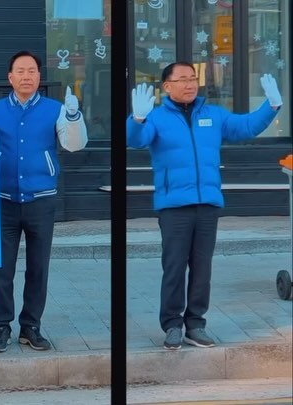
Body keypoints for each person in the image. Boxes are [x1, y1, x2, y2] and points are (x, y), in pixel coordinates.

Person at [127, 62, 282, 350]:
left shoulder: (213, 115)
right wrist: (137, 119)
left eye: (192, 78)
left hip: (208, 204)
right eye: (182, 79)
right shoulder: (156, 118)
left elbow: (246, 126)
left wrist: (271, 106)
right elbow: (135, 140)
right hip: (174, 206)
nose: (189, 84)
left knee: (202, 268)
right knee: (174, 267)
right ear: (167, 86)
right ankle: (172, 325)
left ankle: (195, 324)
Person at [0, 50, 88, 353]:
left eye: (32, 71)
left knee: (38, 267)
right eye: (20, 71)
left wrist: (73, 117)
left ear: (39, 77)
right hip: (3, 200)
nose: (26, 76)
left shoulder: (55, 109)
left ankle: (31, 326)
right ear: (10, 77)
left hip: (41, 200)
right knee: (2, 268)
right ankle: (2, 325)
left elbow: (74, 145)